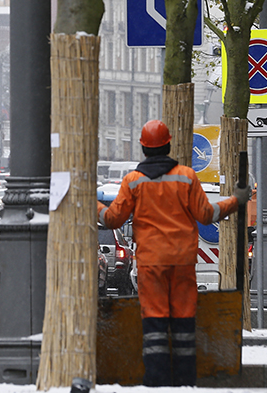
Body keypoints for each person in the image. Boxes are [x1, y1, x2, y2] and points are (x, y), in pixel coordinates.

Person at [98, 119, 249, 387]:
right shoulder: (186, 177)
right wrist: (235, 200)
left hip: (150, 264)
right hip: (182, 262)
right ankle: (184, 381)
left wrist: (91, 203)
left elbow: (112, 220)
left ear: (143, 149)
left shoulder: (133, 181)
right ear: (168, 145)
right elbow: (207, 214)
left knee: (154, 321)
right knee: (183, 320)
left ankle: (156, 381)